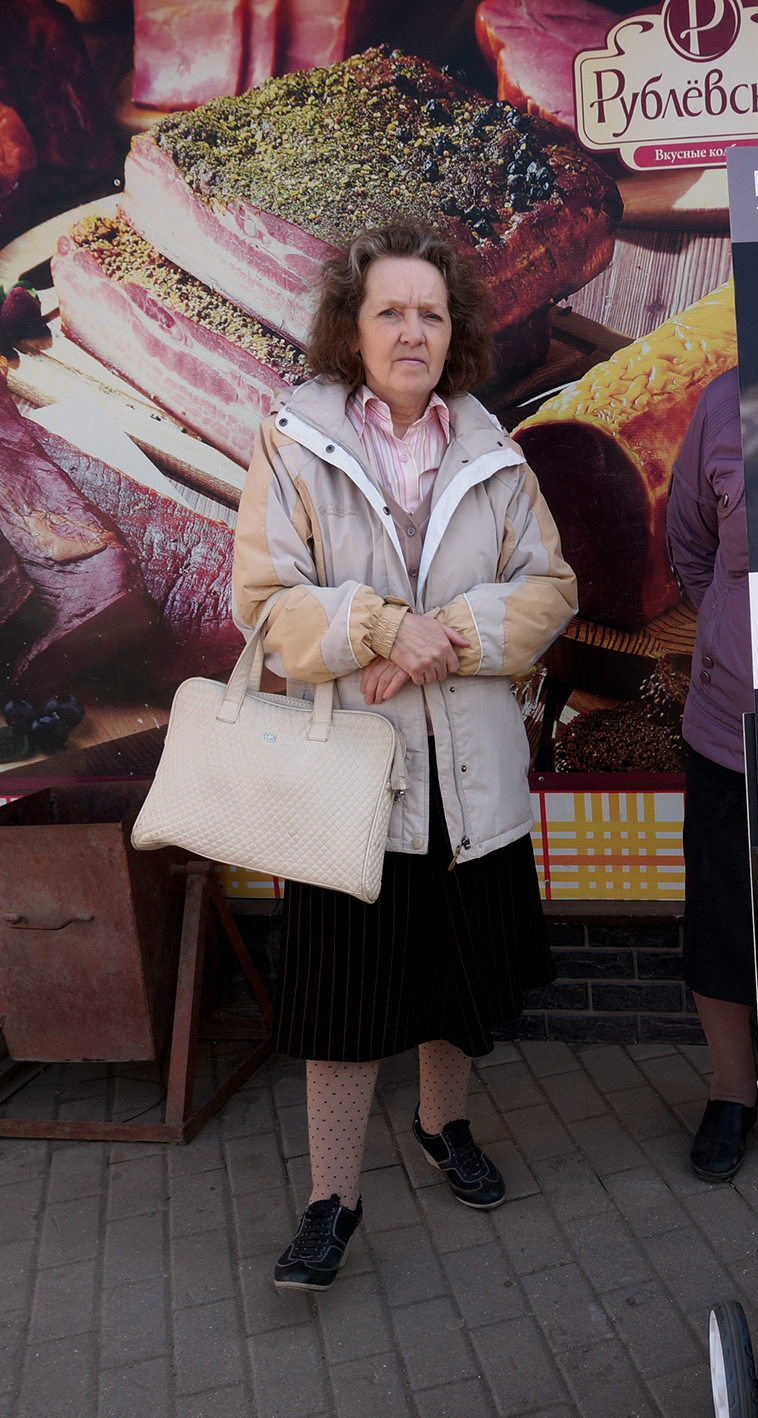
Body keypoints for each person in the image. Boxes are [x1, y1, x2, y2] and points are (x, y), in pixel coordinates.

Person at [233, 224, 577, 1290]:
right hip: (357, 784)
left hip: (471, 783)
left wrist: (446, 643)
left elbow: (549, 589)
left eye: (431, 312)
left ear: (456, 331)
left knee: (457, 981)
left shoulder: (494, 450)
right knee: (342, 1003)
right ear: (353, 326)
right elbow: (262, 601)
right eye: (391, 311)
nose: (412, 331)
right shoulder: (293, 442)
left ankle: (442, 1127)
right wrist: (382, 630)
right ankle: (331, 1197)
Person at [666, 367, 758, 1183]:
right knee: (726, 917)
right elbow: (693, 546)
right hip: (732, 727)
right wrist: (735, 637)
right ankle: (733, 1092)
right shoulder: (724, 401)